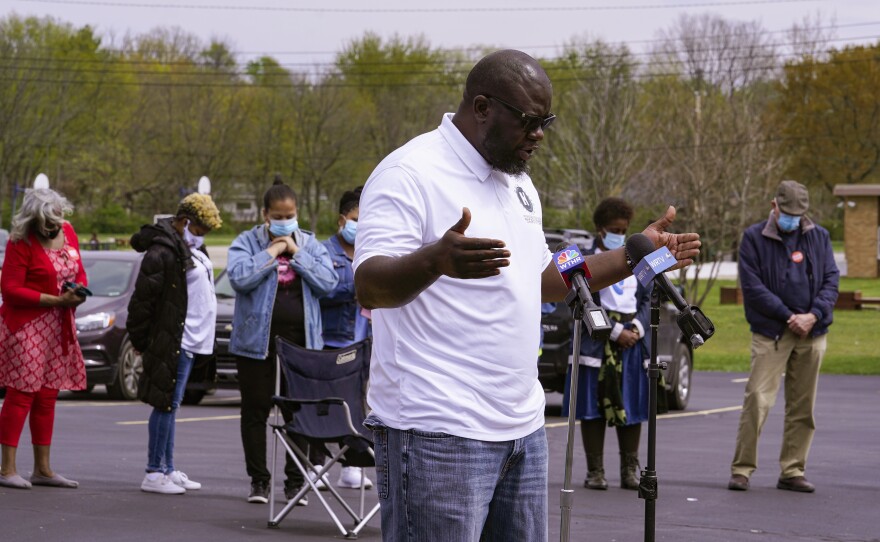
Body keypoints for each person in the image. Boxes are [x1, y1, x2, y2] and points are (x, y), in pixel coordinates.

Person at [353, 49, 701, 541]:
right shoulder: (409, 172)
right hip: (437, 430)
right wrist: (434, 260)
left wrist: (635, 255)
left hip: (521, 428)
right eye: (529, 122)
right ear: (481, 108)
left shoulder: (518, 183)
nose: (539, 134)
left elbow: (546, 276)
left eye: (547, 121)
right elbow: (369, 284)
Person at [227, 177, 338, 505]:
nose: (284, 220)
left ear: (297, 213)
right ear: (265, 215)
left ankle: (294, 483)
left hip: (301, 346)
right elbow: (239, 277)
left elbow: (328, 282)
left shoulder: (311, 243)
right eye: (278, 215)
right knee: (255, 410)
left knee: (298, 413)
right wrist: (272, 251)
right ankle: (259, 481)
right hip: (255, 344)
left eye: (289, 214)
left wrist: (296, 253)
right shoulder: (247, 242)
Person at [728, 180, 839, 493]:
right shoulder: (752, 238)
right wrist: (788, 316)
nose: (793, 219)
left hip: (812, 330)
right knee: (757, 400)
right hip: (772, 332)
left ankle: (792, 470)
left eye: (799, 213)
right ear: (774, 206)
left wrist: (813, 314)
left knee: (803, 407)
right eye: (787, 212)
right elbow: (752, 287)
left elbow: (831, 279)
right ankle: (742, 469)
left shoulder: (819, 236)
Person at [127, 193, 222, 495]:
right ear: (185, 222)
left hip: (191, 339)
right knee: (165, 405)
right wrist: (142, 340)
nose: (202, 236)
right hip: (174, 339)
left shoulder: (188, 248)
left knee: (172, 404)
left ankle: (167, 467)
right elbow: (143, 300)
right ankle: (154, 472)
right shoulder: (164, 252)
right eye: (199, 230)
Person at [561, 198, 652, 491]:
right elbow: (579, 299)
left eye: (624, 230)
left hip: (633, 340)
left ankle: (629, 470)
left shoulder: (637, 257)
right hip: (596, 341)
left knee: (632, 403)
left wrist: (636, 327)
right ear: (600, 229)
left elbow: (651, 298)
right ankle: (595, 471)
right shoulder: (582, 259)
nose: (620, 235)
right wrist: (613, 331)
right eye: (614, 230)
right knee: (593, 407)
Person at [0, 188, 88, 489]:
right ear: (33, 219)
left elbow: (80, 272)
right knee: (21, 393)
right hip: (26, 326)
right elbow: (10, 290)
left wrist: (77, 293)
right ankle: (7, 470)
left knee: (48, 395)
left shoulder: (68, 232)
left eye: (58, 219)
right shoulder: (20, 242)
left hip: (58, 325)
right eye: (48, 222)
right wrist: (54, 300)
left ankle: (43, 470)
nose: (54, 227)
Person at [308, 186, 374, 490]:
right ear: (341, 220)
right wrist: (358, 290)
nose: (360, 225)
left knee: (356, 405)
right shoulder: (322, 251)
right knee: (324, 405)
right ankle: (316, 464)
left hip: (364, 343)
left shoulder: (371, 250)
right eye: (355, 218)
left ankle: (351, 465)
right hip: (331, 340)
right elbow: (323, 289)